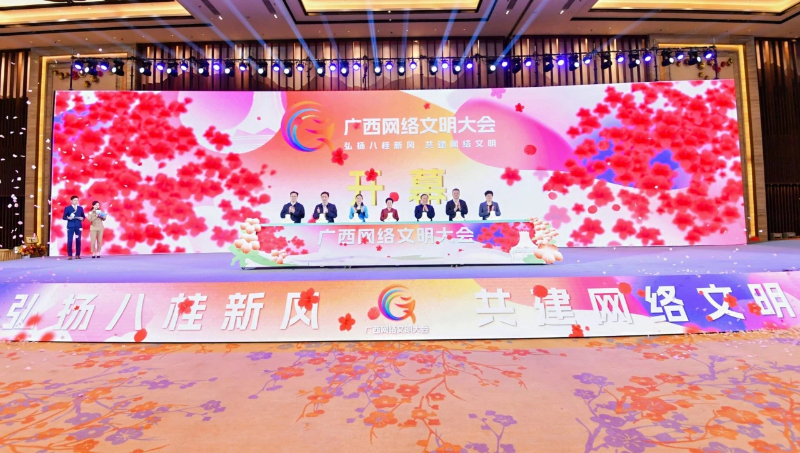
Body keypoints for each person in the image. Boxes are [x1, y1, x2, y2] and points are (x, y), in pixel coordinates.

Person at [62, 195, 85, 260]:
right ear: (71, 201)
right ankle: (70, 255)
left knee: (78, 240)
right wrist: (68, 218)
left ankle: (78, 255)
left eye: (77, 200)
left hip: (78, 226)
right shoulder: (67, 208)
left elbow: (83, 216)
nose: (76, 201)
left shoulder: (80, 208)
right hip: (70, 226)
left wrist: (82, 218)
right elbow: (64, 217)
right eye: (75, 200)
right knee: (70, 240)